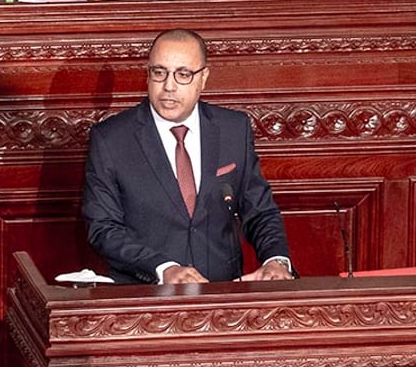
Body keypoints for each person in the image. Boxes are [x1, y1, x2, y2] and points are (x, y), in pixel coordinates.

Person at [81, 29, 291, 285]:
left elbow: (260, 212)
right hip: (146, 298)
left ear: (203, 78)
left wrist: (275, 260)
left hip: (222, 296)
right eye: (159, 73)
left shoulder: (233, 130)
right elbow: (104, 228)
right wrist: (163, 268)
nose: (169, 86)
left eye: (183, 74)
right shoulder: (111, 139)